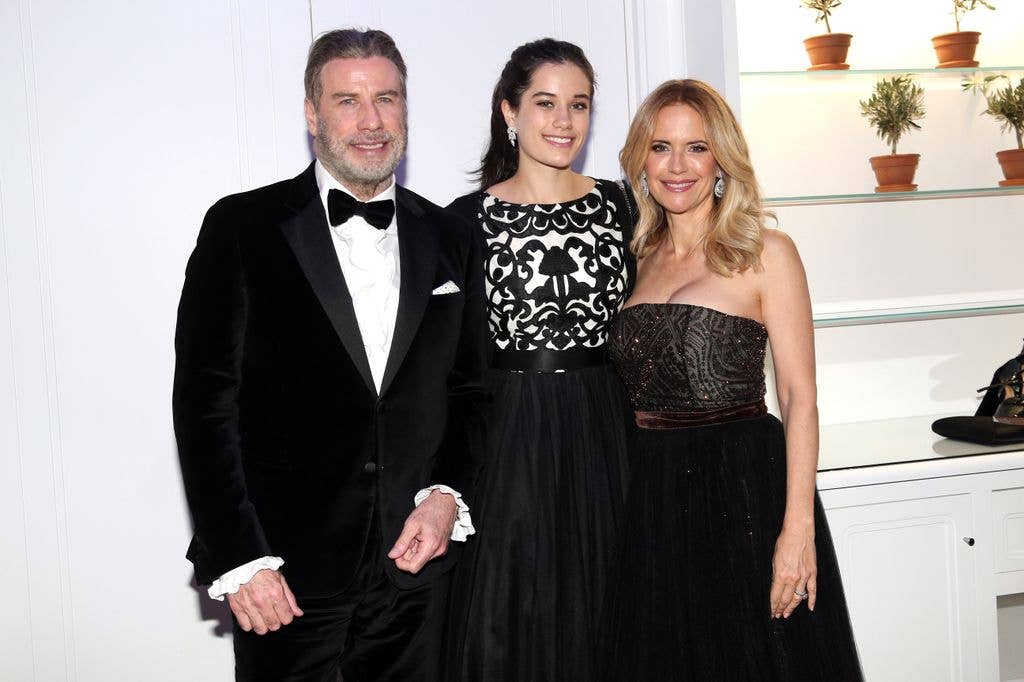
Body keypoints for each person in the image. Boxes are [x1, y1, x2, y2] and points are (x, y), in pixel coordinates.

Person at [173, 28, 487, 682]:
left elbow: (470, 390)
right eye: (348, 101)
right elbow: (205, 409)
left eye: (387, 99)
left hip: (418, 578)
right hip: (284, 580)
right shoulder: (242, 229)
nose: (371, 121)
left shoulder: (451, 234)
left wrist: (446, 495)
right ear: (312, 115)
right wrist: (242, 560)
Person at [600, 79, 863, 681]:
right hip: (653, 496)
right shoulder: (637, 257)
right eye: (661, 146)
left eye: (696, 147)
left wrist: (796, 530)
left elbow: (799, 397)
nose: (677, 165)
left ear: (721, 158)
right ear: (642, 157)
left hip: (745, 490)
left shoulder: (767, 251)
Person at [444, 38, 636, 681]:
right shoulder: (465, 220)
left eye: (578, 105)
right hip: (507, 436)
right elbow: (449, 362)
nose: (563, 121)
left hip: (607, 427)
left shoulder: (623, 206)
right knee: (507, 616)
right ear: (510, 112)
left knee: (611, 603)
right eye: (545, 103)